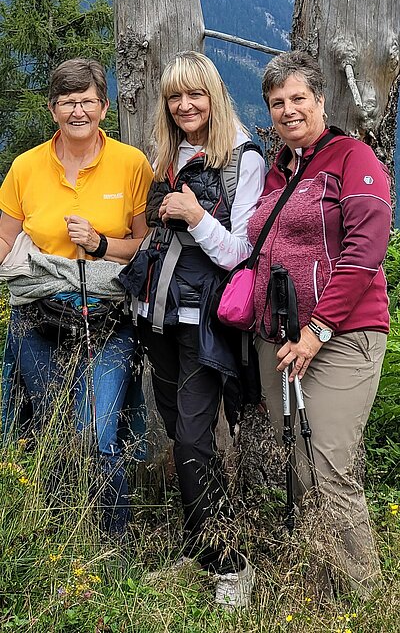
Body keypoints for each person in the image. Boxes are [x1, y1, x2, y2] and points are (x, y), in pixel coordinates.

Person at [120, 50, 265, 609]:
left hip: (204, 323)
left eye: (194, 94)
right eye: (174, 97)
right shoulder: (168, 153)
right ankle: (200, 550)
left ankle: (230, 564)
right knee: (183, 434)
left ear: (215, 95)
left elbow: (241, 252)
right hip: (157, 316)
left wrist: (196, 214)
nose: (184, 105)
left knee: (193, 440)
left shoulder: (242, 159)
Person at [248, 50, 391, 595]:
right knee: (298, 467)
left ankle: (362, 597)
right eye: (277, 102)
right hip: (279, 338)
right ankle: (319, 587)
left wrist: (317, 330)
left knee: (328, 466)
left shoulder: (352, 157)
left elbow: (365, 249)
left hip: (342, 336)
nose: (288, 110)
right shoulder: (278, 170)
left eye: (298, 99)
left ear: (321, 102)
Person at [0, 58, 153, 535]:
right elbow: (5, 241)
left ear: (104, 107)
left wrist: (100, 244)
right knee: (51, 431)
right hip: (37, 316)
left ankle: (115, 548)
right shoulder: (26, 167)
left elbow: (145, 246)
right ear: (53, 111)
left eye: (87, 100)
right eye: (67, 102)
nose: (78, 110)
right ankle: (61, 538)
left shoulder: (131, 164)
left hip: (107, 316)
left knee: (97, 432)